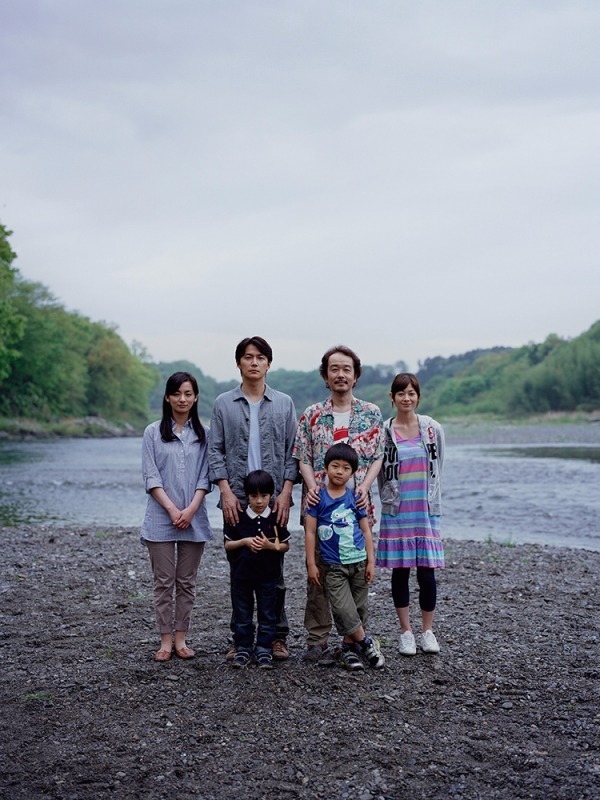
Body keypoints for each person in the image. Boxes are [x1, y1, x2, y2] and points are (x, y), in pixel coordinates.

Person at [209, 336, 298, 660]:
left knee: (274, 569)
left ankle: (276, 637)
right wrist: (225, 491)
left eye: (260, 357)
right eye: (248, 357)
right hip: (236, 499)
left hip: (273, 500)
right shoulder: (223, 404)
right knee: (240, 571)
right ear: (239, 363)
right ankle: (241, 638)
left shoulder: (284, 403)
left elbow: (293, 452)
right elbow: (214, 450)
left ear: (268, 363)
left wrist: (286, 492)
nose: (254, 362)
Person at [293, 344, 384, 662]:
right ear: (325, 375)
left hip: (356, 506)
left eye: (346, 369)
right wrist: (311, 486)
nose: (340, 374)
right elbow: (302, 457)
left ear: (355, 375)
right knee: (318, 572)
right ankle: (317, 639)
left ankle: (350, 642)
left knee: (357, 572)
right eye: (334, 369)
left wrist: (366, 486)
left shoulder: (371, 413)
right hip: (320, 506)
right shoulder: (312, 415)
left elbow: (377, 457)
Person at [141, 371, 212, 662]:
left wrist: (191, 508)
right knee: (163, 581)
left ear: (195, 398)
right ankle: (164, 641)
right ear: (168, 397)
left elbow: (206, 476)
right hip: (160, 518)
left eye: (188, 394)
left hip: (194, 516)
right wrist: (171, 509)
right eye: (177, 394)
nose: (182, 399)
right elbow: (150, 475)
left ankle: (181, 639)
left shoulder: (204, 433)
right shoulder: (152, 432)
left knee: (186, 581)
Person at [375, 373, 445, 656]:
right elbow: (376, 469)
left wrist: (434, 499)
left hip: (425, 510)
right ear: (392, 398)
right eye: (401, 393)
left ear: (418, 397)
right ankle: (406, 632)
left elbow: (440, 464)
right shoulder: (383, 431)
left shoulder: (432, 428)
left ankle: (428, 631)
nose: (406, 398)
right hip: (397, 510)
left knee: (427, 573)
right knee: (400, 572)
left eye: (411, 393)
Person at [305, 443, 384, 671]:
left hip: (358, 562)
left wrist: (371, 561)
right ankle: (366, 642)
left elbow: (366, 530)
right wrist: (312, 563)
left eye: (345, 468)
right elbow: (310, 532)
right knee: (342, 608)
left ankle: (349, 650)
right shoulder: (317, 498)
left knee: (359, 608)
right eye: (335, 466)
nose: (339, 471)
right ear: (326, 468)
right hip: (332, 565)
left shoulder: (355, 498)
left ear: (353, 472)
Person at [224, 470, 291, 669]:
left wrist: (271, 546)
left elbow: (285, 545)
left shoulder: (276, 519)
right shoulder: (239, 518)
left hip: (268, 577)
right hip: (241, 577)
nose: (259, 501)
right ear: (247, 496)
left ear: (271, 496)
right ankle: (243, 647)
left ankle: (264, 649)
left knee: (268, 614)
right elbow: (228, 545)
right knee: (242, 614)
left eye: (264, 496)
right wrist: (244, 541)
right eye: (254, 496)